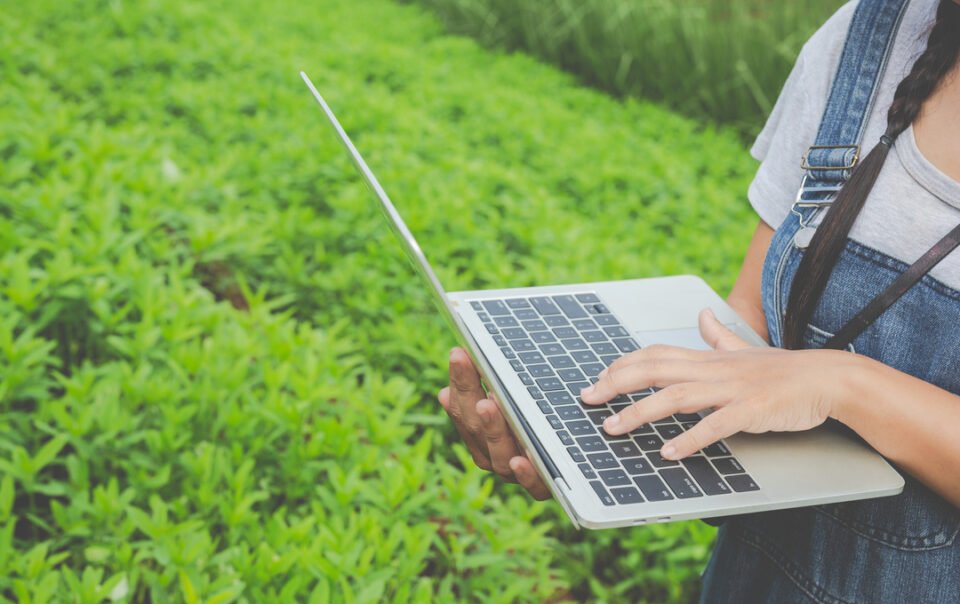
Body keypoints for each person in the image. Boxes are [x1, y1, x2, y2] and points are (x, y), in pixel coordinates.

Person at [437, 0, 960, 601]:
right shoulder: (868, 36)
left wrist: (843, 385)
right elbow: (751, 328)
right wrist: (580, 434)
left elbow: (807, 377)